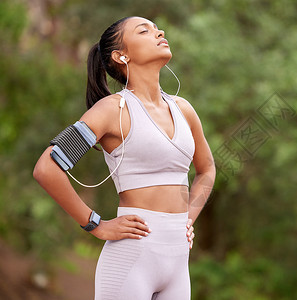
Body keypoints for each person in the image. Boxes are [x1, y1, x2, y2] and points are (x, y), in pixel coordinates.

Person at [33, 16, 216, 300]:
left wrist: (188, 219)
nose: (159, 32)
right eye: (145, 30)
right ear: (121, 55)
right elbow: (47, 167)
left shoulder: (184, 109)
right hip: (132, 257)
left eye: (157, 29)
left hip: (178, 261)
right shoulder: (111, 111)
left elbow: (207, 169)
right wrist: (95, 224)